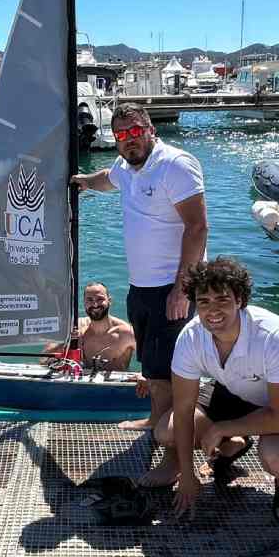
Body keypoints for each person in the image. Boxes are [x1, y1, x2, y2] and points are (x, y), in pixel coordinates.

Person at [71, 102, 208, 486]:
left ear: (150, 129)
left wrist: (183, 289)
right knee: (152, 366)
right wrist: (82, 181)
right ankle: (155, 419)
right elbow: (106, 178)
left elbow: (197, 228)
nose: (129, 140)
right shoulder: (125, 167)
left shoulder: (174, 164)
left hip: (172, 287)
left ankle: (173, 459)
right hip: (141, 287)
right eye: (121, 135)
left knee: (174, 373)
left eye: (135, 132)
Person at [163, 258, 279, 523]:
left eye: (222, 299)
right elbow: (182, 410)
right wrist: (187, 474)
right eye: (203, 301)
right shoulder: (190, 338)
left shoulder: (273, 335)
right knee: (166, 430)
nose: (212, 310)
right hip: (235, 389)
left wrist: (221, 428)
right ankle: (233, 446)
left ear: (240, 299)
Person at [41, 281, 136, 371]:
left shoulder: (126, 333)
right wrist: (66, 342)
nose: (95, 304)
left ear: (109, 301)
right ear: (84, 303)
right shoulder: (75, 327)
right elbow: (43, 360)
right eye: (90, 300)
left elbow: (150, 357)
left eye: (100, 299)